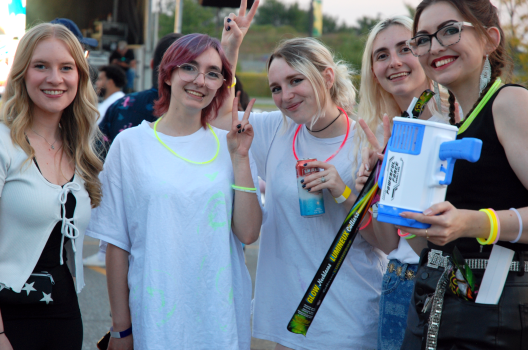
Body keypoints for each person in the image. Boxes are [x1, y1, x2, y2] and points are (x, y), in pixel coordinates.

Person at [212, 2, 387, 348]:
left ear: (326, 77)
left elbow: (386, 241)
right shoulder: (277, 129)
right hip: (284, 319)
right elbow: (218, 116)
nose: (285, 96)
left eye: (295, 81)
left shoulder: (365, 140)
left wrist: (344, 192)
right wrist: (231, 46)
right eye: (276, 88)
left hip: (347, 322)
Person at [85, 33, 262, 349]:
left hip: (219, 322)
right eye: (189, 68)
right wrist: (120, 330)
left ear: (222, 84)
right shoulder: (131, 146)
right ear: (167, 74)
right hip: (154, 322)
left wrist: (242, 159)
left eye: (212, 73)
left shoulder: (232, 146)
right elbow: (116, 246)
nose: (200, 80)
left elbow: (248, 233)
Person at [395, 1, 528, 348]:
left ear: (489, 39)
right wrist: (394, 190)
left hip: (498, 315)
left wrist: (476, 223)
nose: (435, 47)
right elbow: (429, 240)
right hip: (434, 303)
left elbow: (468, 223)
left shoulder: (509, 103)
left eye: (450, 30)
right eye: (422, 39)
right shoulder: (446, 127)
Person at [0, 23, 102, 349]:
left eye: (66, 68)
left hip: (62, 316)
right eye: (41, 66)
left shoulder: (80, 149)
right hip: (2, 317)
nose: (55, 78)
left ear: (79, 77)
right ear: (22, 74)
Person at [353, 15, 454, 350]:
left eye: (405, 48)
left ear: (424, 54)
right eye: (381, 55)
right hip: (398, 284)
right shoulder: (383, 136)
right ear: (373, 70)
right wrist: (367, 192)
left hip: (450, 290)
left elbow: (444, 245)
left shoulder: (455, 124)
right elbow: (386, 242)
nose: (394, 62)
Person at [83, 34, 183, 269]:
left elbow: (93, 162)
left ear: (151, 65)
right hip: (183, 237)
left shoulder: (122, 108)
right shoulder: (205, 114)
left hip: (127, 237)